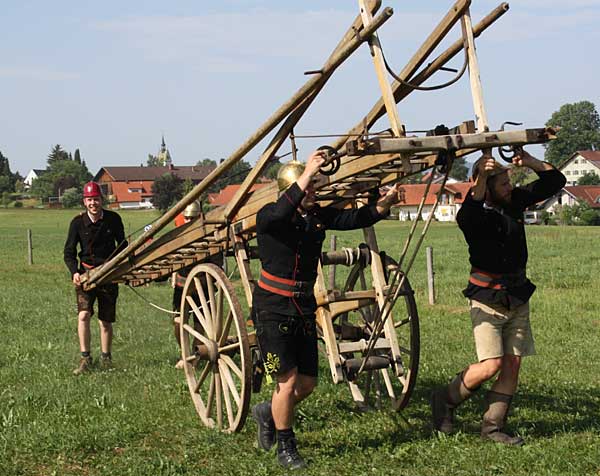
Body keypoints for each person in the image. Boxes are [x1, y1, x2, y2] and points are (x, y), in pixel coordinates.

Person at [251, 150, 405, 469]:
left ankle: (268, 411)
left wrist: (384, 204)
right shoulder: (268, 216)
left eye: (314, 189)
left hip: (303, 308)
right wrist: (306, 172)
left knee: (307, 384)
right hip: (271, 311)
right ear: (291, 189)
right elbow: (282, 212)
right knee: (287, 381)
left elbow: (353, 218)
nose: (313, 194)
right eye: (308, 189)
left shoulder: (316, 217)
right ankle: (286, 447)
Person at [430, 149, 566, 445]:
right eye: (502, 184)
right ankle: (445, 399)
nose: (510, 187)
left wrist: (529, 161)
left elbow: (556, 180)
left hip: (517, 296)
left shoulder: (514, 201)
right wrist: (479, 176)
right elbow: (470, 209)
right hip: (487, 298)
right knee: (491, 365)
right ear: (487, 189)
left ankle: (493, 427)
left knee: (513, 363)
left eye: (508, 182)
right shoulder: (472, 215)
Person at [64, 181, 127, 375]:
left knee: (105, 321)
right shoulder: (77, 223)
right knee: (83, 315)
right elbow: (69, 252)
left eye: (96, 199)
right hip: (85, 275)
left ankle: (106, 359)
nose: (94, 203)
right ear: (85, 202)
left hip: (108, 275)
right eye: (90, 200)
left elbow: (123, 245)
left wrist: (122, 267)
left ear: (102, 200)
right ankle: (85, 358)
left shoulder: (113, 219)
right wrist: (74, 271)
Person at [171, 200, 203, 369]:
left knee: (200, 324)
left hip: (203, 286)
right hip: (182, 286)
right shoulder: (178, 234)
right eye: (187, 218)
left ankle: (196, 356)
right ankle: (185, 354)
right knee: (178, 321)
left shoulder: (207, 232)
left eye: (193, 218)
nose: (190, 222)